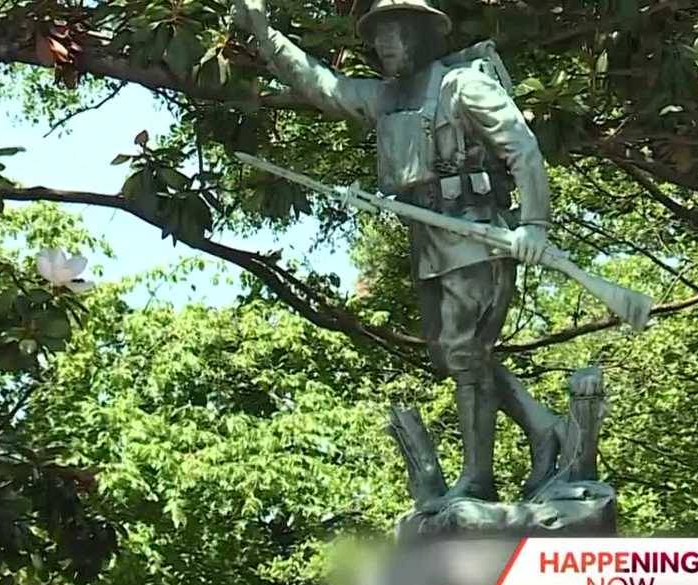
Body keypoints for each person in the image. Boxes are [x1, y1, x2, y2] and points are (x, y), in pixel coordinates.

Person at [233, 0, 563, 502]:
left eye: (396, 32)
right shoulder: (385, 98)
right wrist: (263, 30)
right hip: (428, 240)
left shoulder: (462, 87)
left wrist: (535, 224)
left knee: (464, 354)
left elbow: (523, 148)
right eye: (379, 35)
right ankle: (543, 428)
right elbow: (321, 84)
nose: (385, 44)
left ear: (423, 34)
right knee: (458, 355)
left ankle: (478, 478)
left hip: (476, 234)